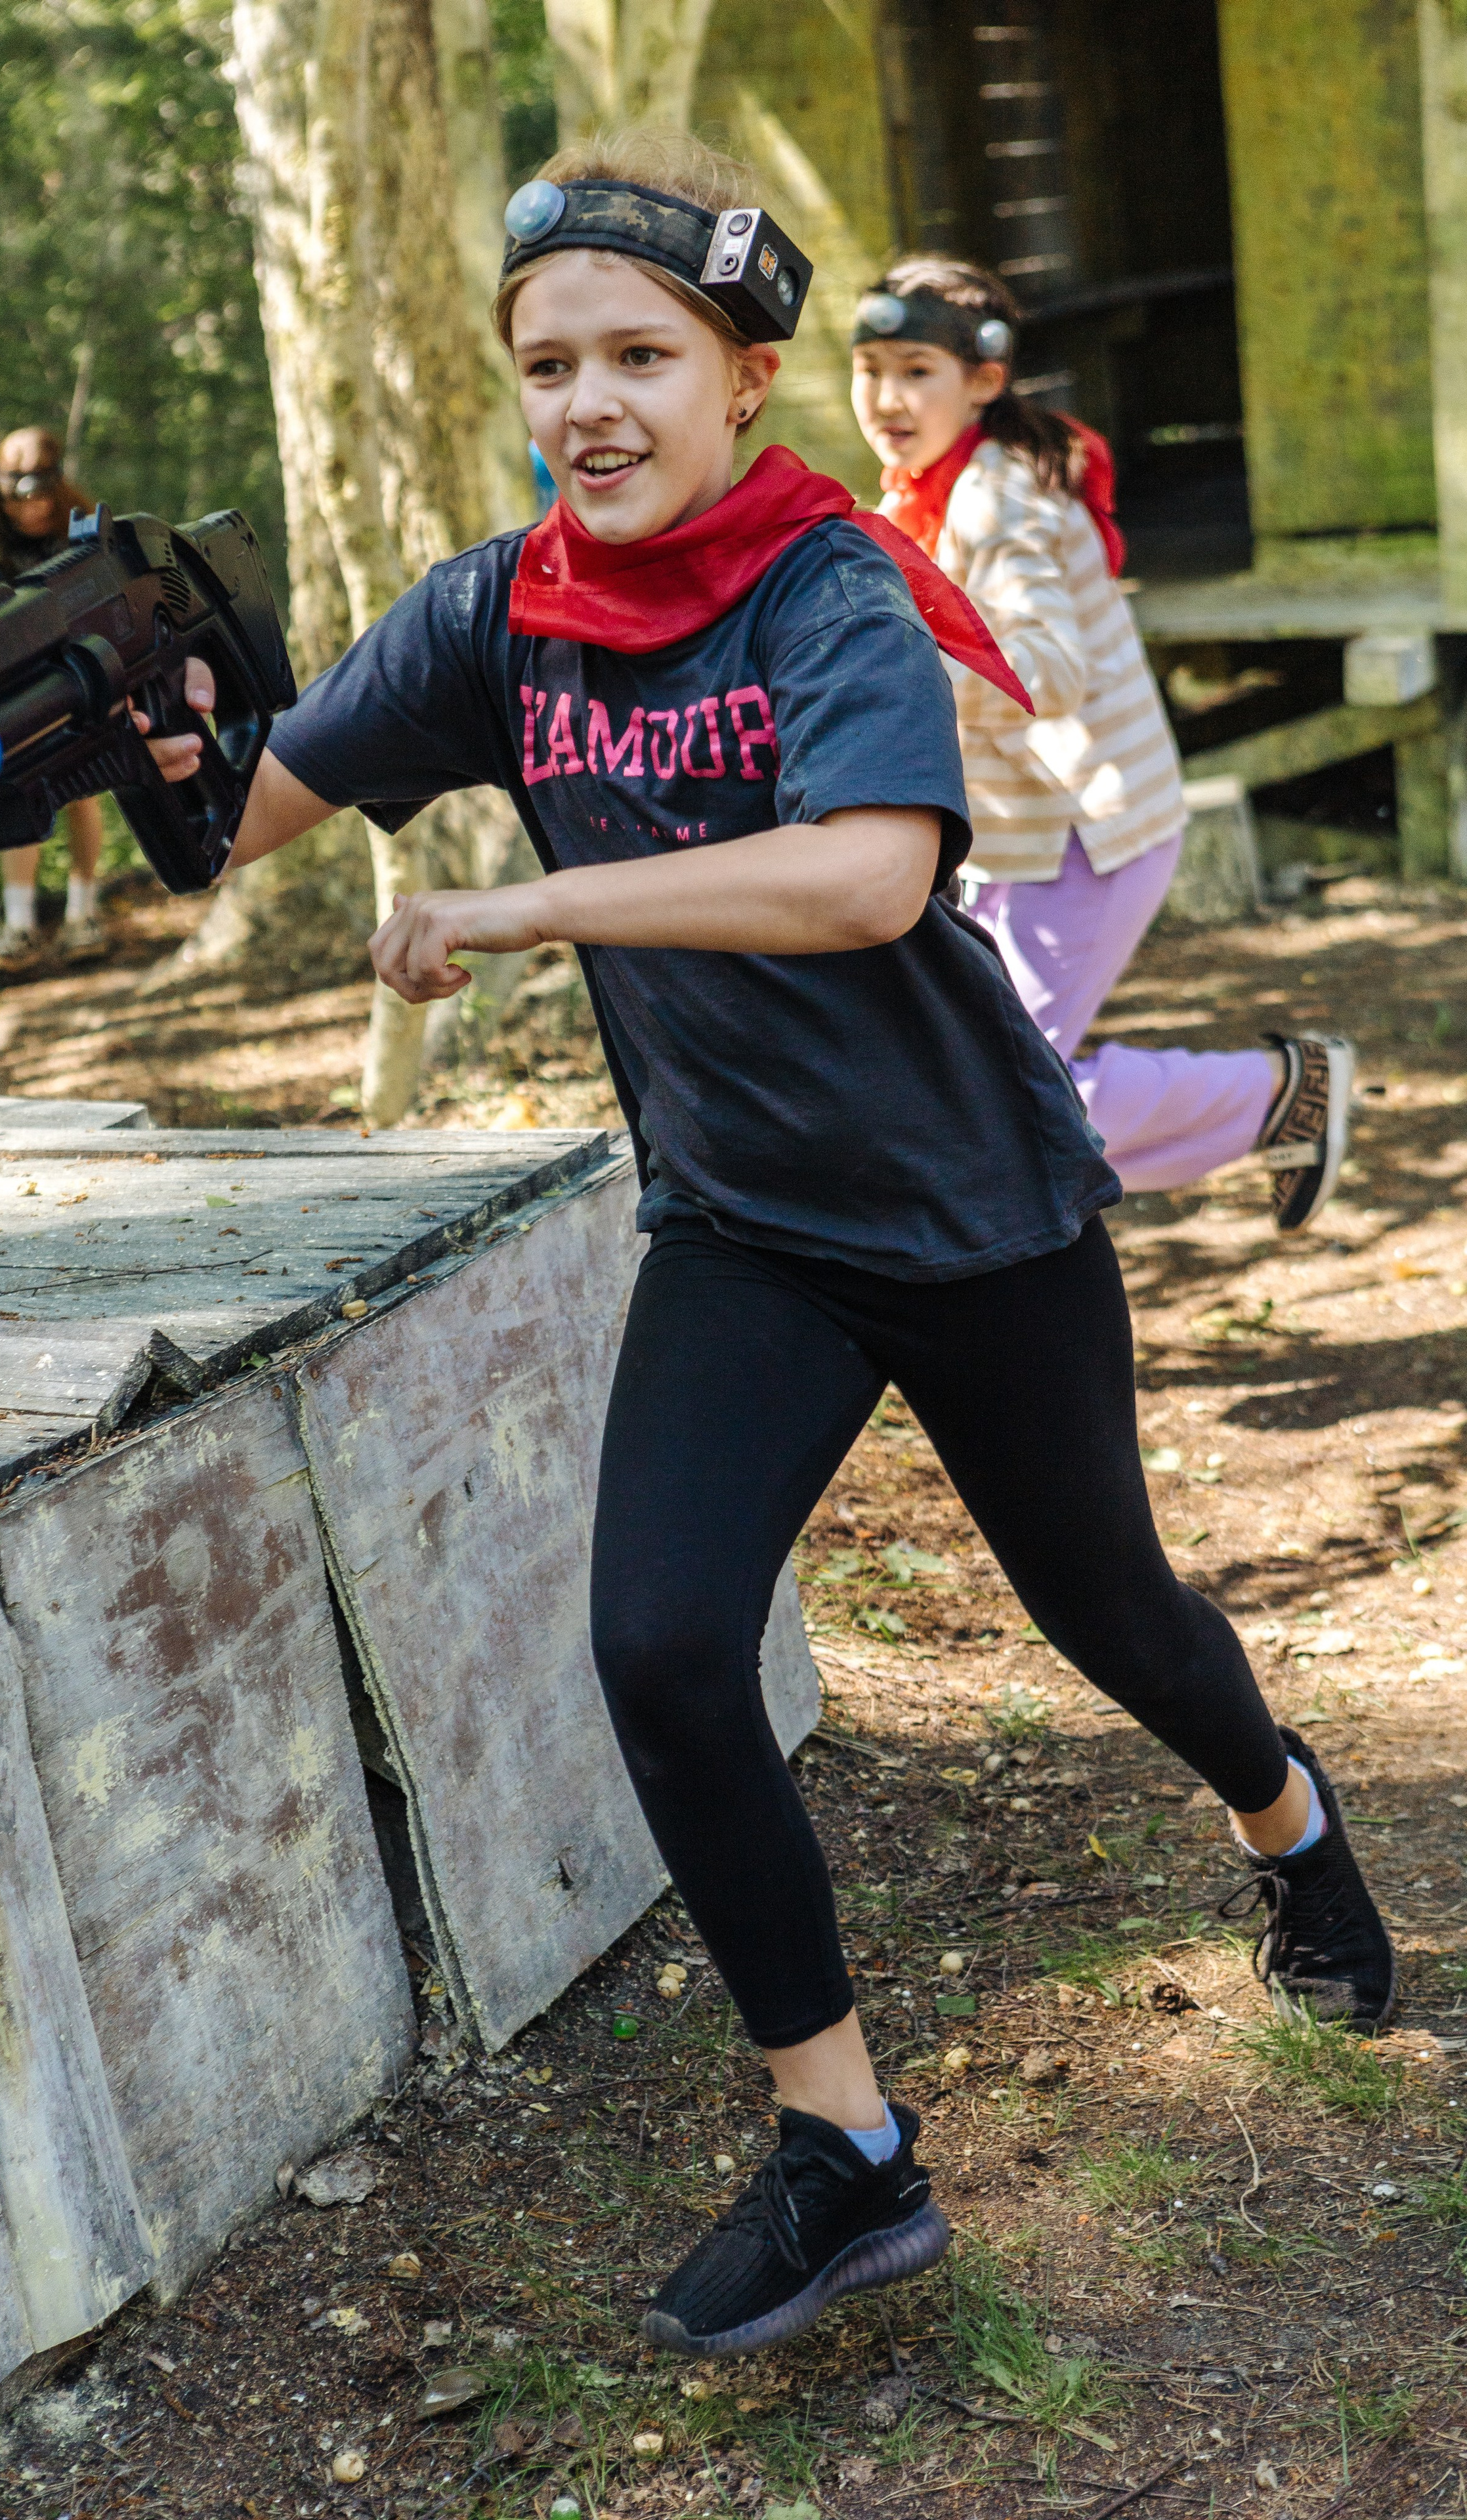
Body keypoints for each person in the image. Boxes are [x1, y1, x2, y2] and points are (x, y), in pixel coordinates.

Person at [140, 132, 1395, 2360]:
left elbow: (867, 879)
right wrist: (130, 749)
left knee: (1110, 1610)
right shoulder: (491, 617)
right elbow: (236, 816)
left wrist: (527, 902)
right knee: (659, 1645)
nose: (590, 405)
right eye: (549, 365)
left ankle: (1291, 1822)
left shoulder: (825, 589)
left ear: (740, 372)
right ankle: (848, 2153)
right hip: (748, 1231)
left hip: (976, 1217)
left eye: (640, 354)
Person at [850, 258, 1353, 1232]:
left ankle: (1274, 1092)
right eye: (870, 369)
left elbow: (1049, 668)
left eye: (917, 371)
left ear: (984, 381)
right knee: (978, 1087)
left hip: (1084, 835)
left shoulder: (998, 499)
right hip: (1015, 844)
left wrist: (894, 689)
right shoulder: (929, 491)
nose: (888, 398)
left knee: (1004, 1098)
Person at [0, 426, 107, 965]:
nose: (29, 509)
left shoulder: (81, 523)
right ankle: (19, 924)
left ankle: (83, 913)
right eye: (18, 497)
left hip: (75, 668)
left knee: (82, 792)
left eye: (39, 496)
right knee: (21, 789)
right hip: (14, 676)